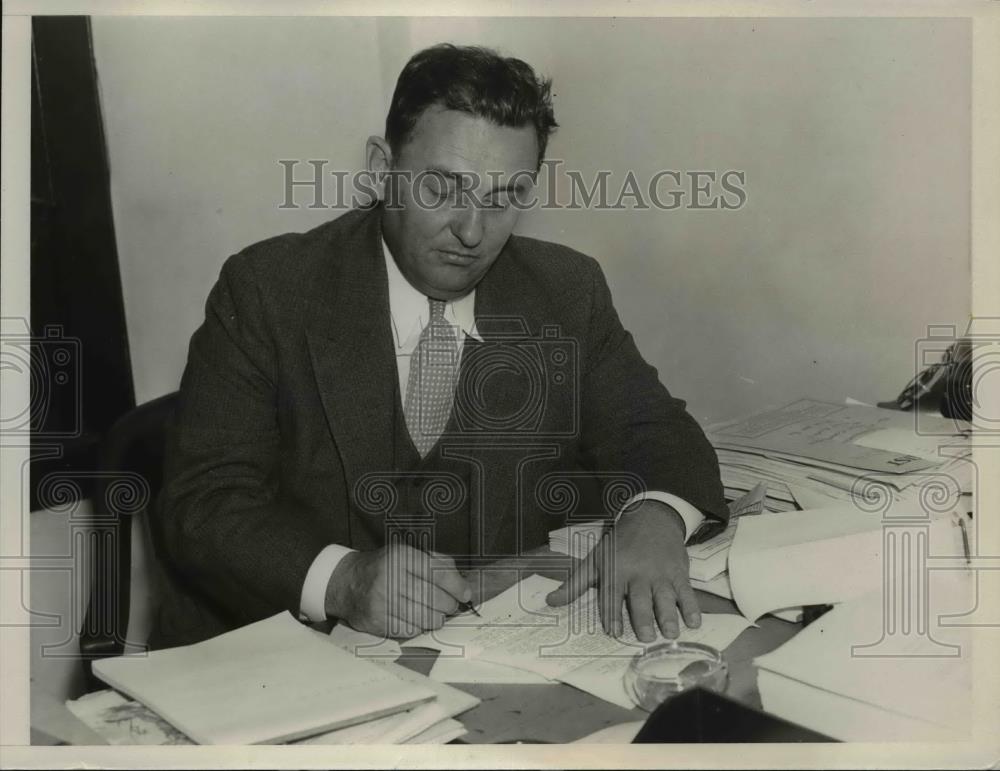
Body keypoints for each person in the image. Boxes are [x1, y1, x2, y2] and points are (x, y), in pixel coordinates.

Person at [152, 43, 728, 650]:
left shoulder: (566, 291)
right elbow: (203, 507)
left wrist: (655, 519)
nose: (473, 231)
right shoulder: (270, 290)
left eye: (504, 197)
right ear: (381, 168)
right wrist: (344, 579)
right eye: (443, 188)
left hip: (486, 658)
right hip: (285, 658)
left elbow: (657, 431)